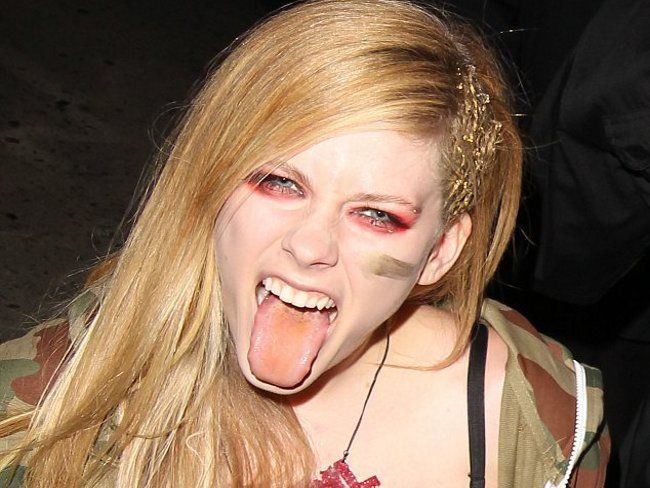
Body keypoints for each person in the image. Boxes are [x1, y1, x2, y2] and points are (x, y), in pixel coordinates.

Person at [0, 1, 608, 486]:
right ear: (211, 180)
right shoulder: (77, 380)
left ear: (440, 250)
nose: (310, 245)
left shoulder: (539, 425)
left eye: (375, 214)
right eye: (280, 182)